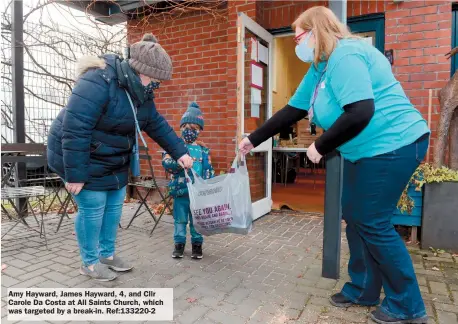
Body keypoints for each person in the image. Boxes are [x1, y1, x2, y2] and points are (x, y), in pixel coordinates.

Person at [239, 6, 430, 324]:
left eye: (299, 36)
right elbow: (292, 110)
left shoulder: (346, 55)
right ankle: (364, 289)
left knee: (373, 221)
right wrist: (253, 138)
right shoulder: (319, 69)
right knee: (355, 217)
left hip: (394, 144)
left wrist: (320, 145)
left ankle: (408, 305)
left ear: (315, 32)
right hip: (364, 152)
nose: (298, 43)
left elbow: (360, 111)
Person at [47, 34, 193, 281]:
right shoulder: (98, 80)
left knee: (114, 206)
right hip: (79, 155)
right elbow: (75, 129)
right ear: (140, 71)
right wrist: (75, 174)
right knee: (93, 208)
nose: (157, 84)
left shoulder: (141, 92)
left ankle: (107, 255)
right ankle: (89, 263)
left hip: (112, 157)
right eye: (155, 79)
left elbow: (155, 123)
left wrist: (180, 152)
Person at [162, 102, 215, 259]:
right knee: (180, 220)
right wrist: (178, 163)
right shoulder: (174, 147)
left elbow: (208, 170)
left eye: (194, 129)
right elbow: (166, 163)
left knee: (196, 220)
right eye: (186, 128)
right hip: (180, 192)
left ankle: (197, 245)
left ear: (199, 131)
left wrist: (208, 185)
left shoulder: (203, 150)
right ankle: (179, 245)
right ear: (181, 128)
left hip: (197, 195)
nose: (189, 132)